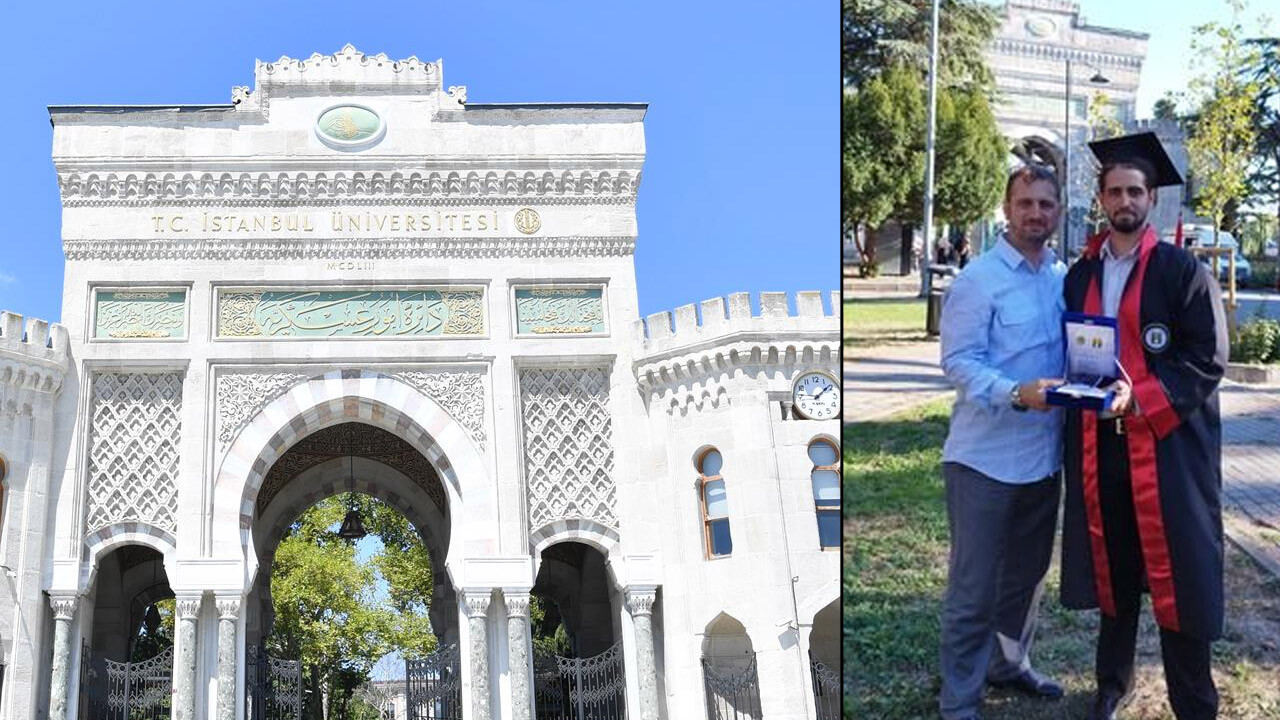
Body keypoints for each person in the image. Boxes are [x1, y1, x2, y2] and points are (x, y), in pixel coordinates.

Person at [1060, 132, 1229, 720]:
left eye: (1135, 190)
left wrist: (1143, 397)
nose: (1124, 200)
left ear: (1151, 199)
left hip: (1166, 450)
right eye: (1114, 191)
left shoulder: (1182, 271)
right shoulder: (1081, 274)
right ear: (1101, 200)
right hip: (1102, 446)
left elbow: (1207, 359)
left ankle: (1193, 699)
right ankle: (1113, 685)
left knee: (1177, 573)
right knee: (1116, 568)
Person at [937, 165, 1067, 720]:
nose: (1035, 213)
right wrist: (1015, 392)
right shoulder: (977, 280)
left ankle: (1008, 666)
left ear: (1058, 211)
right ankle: (960, 700)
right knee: (973, 589)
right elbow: (957, 362)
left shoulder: (1064, 278)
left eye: (1045, 203)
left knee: (1027, 580)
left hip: (1044, 460)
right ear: (1006, 210)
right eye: (1025, 203)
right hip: (983, 462)